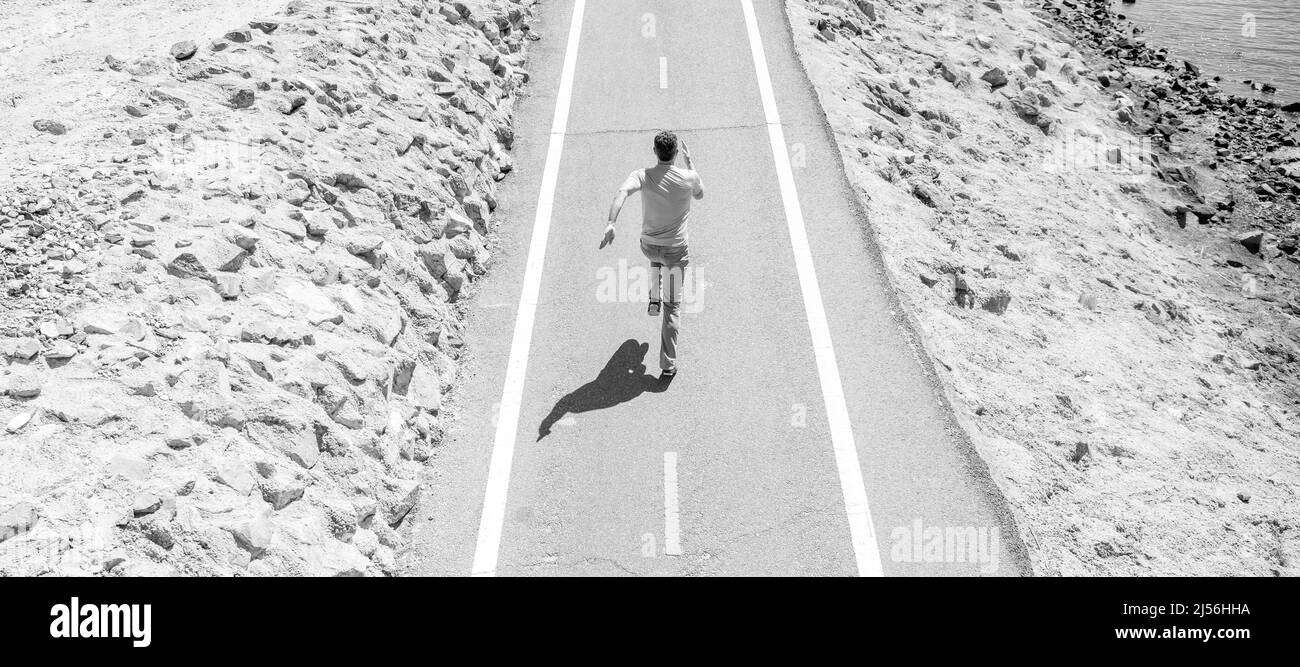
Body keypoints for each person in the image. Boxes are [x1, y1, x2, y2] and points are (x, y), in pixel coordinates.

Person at [600, 130, 704, 377]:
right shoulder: (689, 178)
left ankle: (654, 296)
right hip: (676, 251)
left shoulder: (642, 176)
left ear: (654, 151)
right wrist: (691, 166)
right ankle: (668, 364)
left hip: (648, 246)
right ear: (676, 153)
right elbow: (700, 194)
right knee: (673, 307)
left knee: (656, 258)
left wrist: (611, 223)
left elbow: (621, 193)